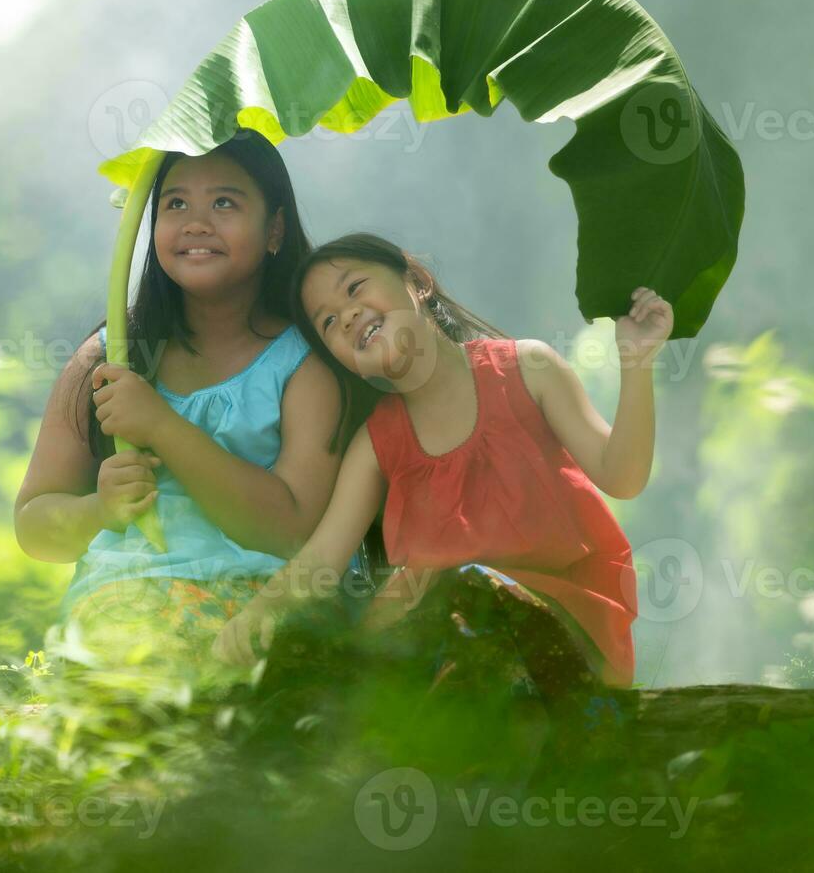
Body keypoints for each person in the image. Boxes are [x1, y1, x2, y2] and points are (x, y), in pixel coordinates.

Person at [215, 232, 661, 703]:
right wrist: (257, 614)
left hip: (563, 638)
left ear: (418, 282)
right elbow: (323, 556)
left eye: (354, 288)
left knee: (460, 585)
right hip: (448, 648)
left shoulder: (527, 369)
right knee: (327, 656)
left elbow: (622, 476)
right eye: (327, 322)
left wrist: (638, 360)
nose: (346, 315)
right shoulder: (375, 446)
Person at [13, 130, 347, 655]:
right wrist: (100, 510)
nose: (196, 221)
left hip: (263, 604)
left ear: (275, 228)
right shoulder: (108, 356)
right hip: (123, 607)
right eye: (175, 203)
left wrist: (162, 427)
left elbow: (291, 530)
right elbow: (34, 527)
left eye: (224, 202)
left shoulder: (307, 363)